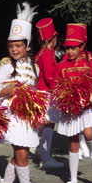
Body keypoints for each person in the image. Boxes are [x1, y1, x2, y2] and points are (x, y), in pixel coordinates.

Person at [0, 3, 38, 183]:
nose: (14, 50)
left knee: (20, 154)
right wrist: (4, 92)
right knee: (22, 154)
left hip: (27, 117)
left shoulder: (33, 66)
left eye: (18, 46)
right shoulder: (6, 66)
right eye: (11, 46)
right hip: (12, 116)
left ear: (27, 46)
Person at [56, 23, 92, 183]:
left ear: (82, 46)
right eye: (67, 48)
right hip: (70, 110)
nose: (69, 51)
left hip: (86, 108)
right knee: (73, 144)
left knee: (89, 132)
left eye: (73, 48)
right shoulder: (61, 66)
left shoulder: (89, 62)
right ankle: (73, 180)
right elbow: (57, 86)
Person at [34, 18, 64, 169]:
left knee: (45, 124)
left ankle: (41, 151)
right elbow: (50, 76)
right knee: (48, 124)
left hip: (41, 92)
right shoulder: (48, 53)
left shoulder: (40, 53)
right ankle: (45, 157)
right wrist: (61, 91)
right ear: (53, 38)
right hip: (47, 93)